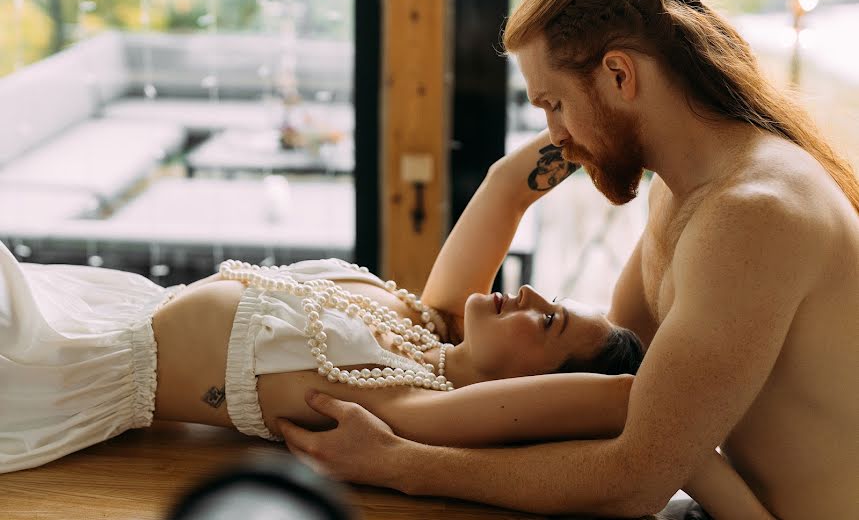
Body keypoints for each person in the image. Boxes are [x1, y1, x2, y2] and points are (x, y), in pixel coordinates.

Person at [277, 0, 859, 520]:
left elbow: (637, 479)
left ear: (619, 74)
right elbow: (621, 378)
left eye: (554, 104)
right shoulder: (684, 191)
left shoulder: (751, 216)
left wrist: (399, 462)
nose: (555, 135)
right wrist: (510, 182)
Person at [0, 131, 774, 517]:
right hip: (90, 302)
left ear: (531, 390)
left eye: (547, 324)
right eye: (551, 301)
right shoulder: (426, 326)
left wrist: (740, 508)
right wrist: (614, 128)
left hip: (55, 365)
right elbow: (510, 187)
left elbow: (624, 408)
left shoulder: (406, 403)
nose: (529, 293)